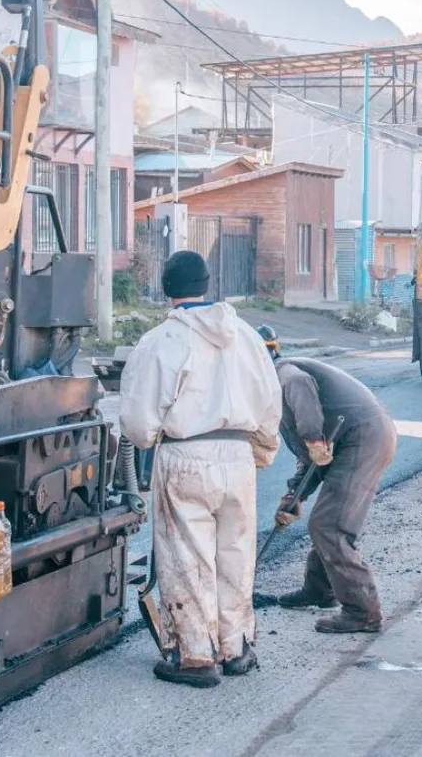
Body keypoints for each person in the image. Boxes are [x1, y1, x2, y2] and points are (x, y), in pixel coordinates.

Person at [120, 251, 282, 688]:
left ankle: (195, 656)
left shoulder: (162, 341)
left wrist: (148, 439)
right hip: (239, 455)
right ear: (207, 284)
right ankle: (236, 647)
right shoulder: (246, 336)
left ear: (166, 289)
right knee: (236, 553)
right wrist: (261, 453)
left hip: (186, 454)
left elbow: (137, 422)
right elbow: (271, 402)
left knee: (187, 556)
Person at [270, 355, 398, 633]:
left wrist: (313, 437)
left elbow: (299, 386)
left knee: (330, 525)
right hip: (353, 437)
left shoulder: (281, 372)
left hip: (362, 436)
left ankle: (362, 612)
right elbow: (312, 457)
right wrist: (295, 496)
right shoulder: (276, 384)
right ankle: (319, 590)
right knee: (327, 519)